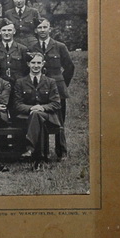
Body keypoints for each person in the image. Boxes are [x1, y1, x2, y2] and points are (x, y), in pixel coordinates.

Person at [32, 18, 75, 159]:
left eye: (45, 27)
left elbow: (69, 66)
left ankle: (61, 151)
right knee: (42, 118)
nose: (42, 30)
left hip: (57, 88)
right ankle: (43, 151)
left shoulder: (59, 46)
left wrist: (62, 83)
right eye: (39, 28)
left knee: (59, 119)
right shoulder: (32, 48)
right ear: (36, 30)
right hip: (39, 89)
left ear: (50, 29)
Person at [14, 52, 61, 171]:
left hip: (47, 116)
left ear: (43, 64)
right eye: (33, 63)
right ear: (28, 64)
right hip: (26, 116)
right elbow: (17, 104)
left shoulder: (50, 82)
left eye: (38, 63)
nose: (36, 65)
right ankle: (39, 158)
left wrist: (41, 108)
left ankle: (30, 148)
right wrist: (30, 108)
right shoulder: (20, 82)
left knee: (37, 115)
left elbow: (56, 103)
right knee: (36, 117)